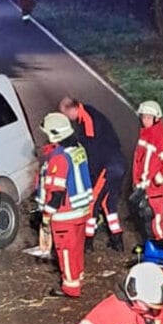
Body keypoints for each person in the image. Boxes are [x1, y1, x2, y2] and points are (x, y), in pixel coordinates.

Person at [59, 96, 128, 252]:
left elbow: (94, 153)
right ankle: (117, 240)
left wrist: (89, 178)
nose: (67, 118)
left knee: (92, 203)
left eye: (65, 114)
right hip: (117, 163)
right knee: (108, 203)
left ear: (72, 109)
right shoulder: (89, 114)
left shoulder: (88, 121)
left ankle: (87, 242)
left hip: (107, 166)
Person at [36, 112, 93, 298]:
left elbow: (57, 192)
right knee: (77, 247)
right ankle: (78, 276)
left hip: (64, 214)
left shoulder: (58, 158)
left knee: (66, 251)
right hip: (81, 209)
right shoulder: (78, 149)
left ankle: (70, 287)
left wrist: (46, 217)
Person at [130, 100, 163, 240]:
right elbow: (140, 161)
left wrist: (158, 181)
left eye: (149, 118)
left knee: (155, 222)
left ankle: (162, 247)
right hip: (143, 186)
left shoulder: (161, 136)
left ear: (157, 118)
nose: (145, 120)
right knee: (144, 220)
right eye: (143, 117)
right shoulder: (146, 134)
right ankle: (150, 248)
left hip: (154, 189)